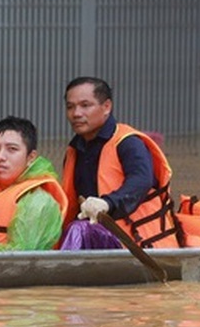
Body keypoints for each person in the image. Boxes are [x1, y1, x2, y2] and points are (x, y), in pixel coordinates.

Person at [60, 77, 181, 249]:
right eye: (70, 107)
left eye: (85, 105)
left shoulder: (128, 143)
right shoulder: (74, 150)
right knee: (77, 228)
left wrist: (108, 203)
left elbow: (141, 180)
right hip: (97, 236)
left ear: (107, 107)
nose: (76, 113)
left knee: (79, 229)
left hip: (138, 242)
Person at [0, 116, 68, 251]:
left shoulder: (39, 202)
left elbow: (23, 259)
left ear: (31, 157)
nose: (0, 157)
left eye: (12, 149)